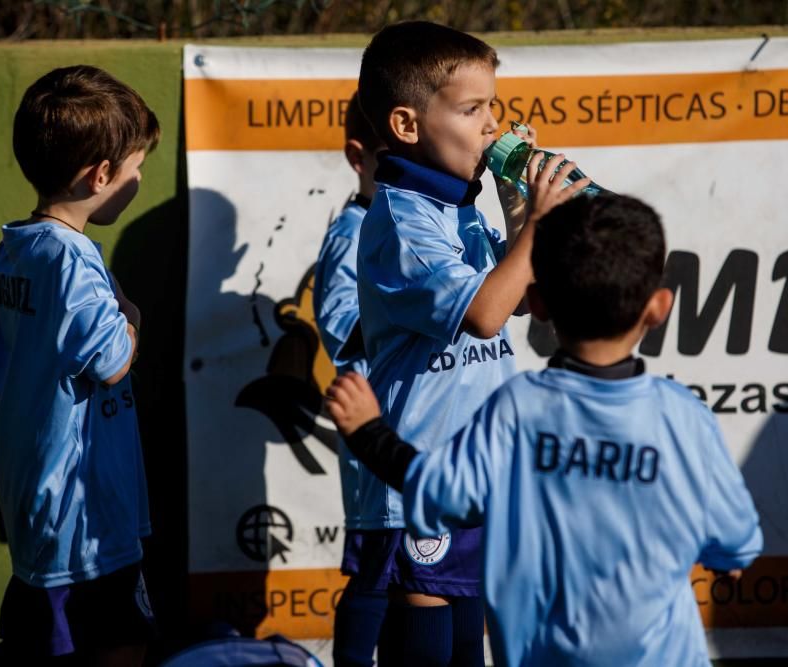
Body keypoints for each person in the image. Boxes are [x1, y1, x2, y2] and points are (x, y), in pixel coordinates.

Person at [327, 193, 765, 666]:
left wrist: (368, 431)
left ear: (534, 302)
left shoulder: (517, 410)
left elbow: (438, 491)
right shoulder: (684, 416)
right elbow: (735, 539)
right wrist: (727, 564)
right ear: (658, 308)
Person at [0, 64, 159, 666]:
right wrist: (132, 311)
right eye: (137, 168)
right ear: (102, 176)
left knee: (42, 638)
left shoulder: (16, 249)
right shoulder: (73, 262)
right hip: (88, 526)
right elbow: (116, 361)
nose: (140, 178)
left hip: (43, 514)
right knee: (121, 645)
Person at [350, 20, 588, 665]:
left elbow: (514, 306)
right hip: (417, 476)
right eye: (472, 109)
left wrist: (517, 214)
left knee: (466, 646)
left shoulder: (459, 208)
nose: (492, 126)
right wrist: (538, 225)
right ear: (406, 126)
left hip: (477, 473)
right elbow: (483, 315)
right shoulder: (401, 220)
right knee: (423, 638)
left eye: (494, 107)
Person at [311, 92, 390, 667]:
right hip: (374, 438)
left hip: (416, 435)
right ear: (356, 157)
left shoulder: (421, 225)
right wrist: (423, 311)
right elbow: (340, 324)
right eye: (392, 162)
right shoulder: (352, 233)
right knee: (374, 574)